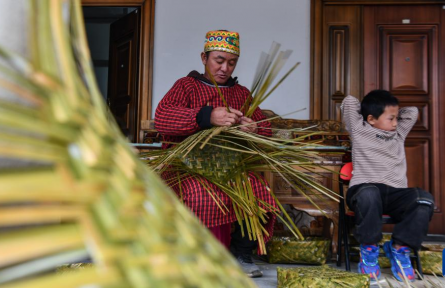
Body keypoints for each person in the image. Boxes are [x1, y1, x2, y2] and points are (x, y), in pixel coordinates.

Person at [154, 30, 277, 278]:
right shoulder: (186, 86)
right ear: (204, 57)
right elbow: (162, 118)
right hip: (187, 168)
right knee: (203, 196)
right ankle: (200, 255)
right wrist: (206, 116)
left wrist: (253, 127)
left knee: (259, 192)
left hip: (230, 168)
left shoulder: (241, 93)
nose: (224, 68)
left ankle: (240, 254)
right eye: (218, 60)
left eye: (231, 63)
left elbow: (266, 129)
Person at [341, 90, 435, 282]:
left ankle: (400, 248)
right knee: (369, 193)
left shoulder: (398, 133)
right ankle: (368, 250)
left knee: (423, 199)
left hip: (395, 193)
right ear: (371, 119)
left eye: (396, 118)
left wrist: (391, 109)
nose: (395, 122)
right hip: (364, 189)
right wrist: (374, 107)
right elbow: (349, 101)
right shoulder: (359, 129)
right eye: (391, 118)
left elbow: (412, 112)